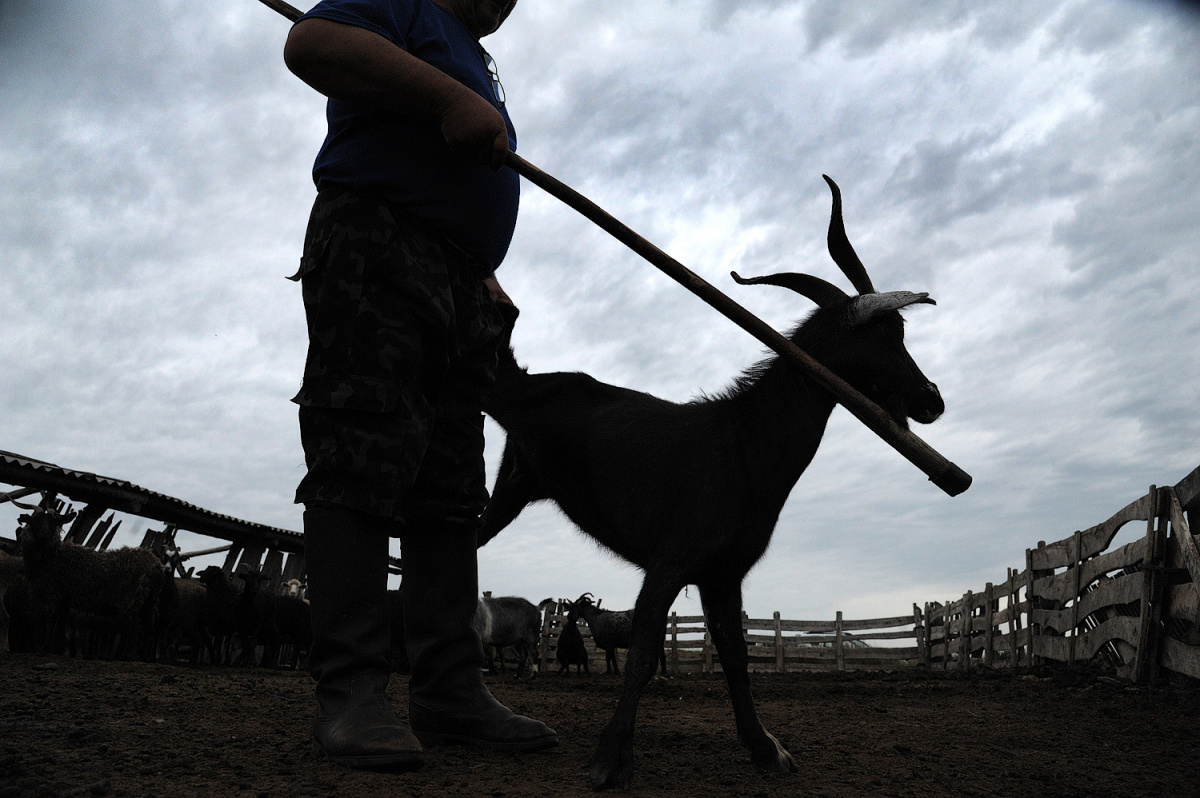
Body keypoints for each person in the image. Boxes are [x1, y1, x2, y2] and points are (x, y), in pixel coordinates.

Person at [282, 0, 555, 772]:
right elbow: (313, 41)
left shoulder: (468, 49)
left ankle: (448, 691)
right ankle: (352, 695)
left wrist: (484, 270)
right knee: (360, 452)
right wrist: (450, 98)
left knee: (449, 487)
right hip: (379, 241)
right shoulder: (410, 5)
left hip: (461, 281)